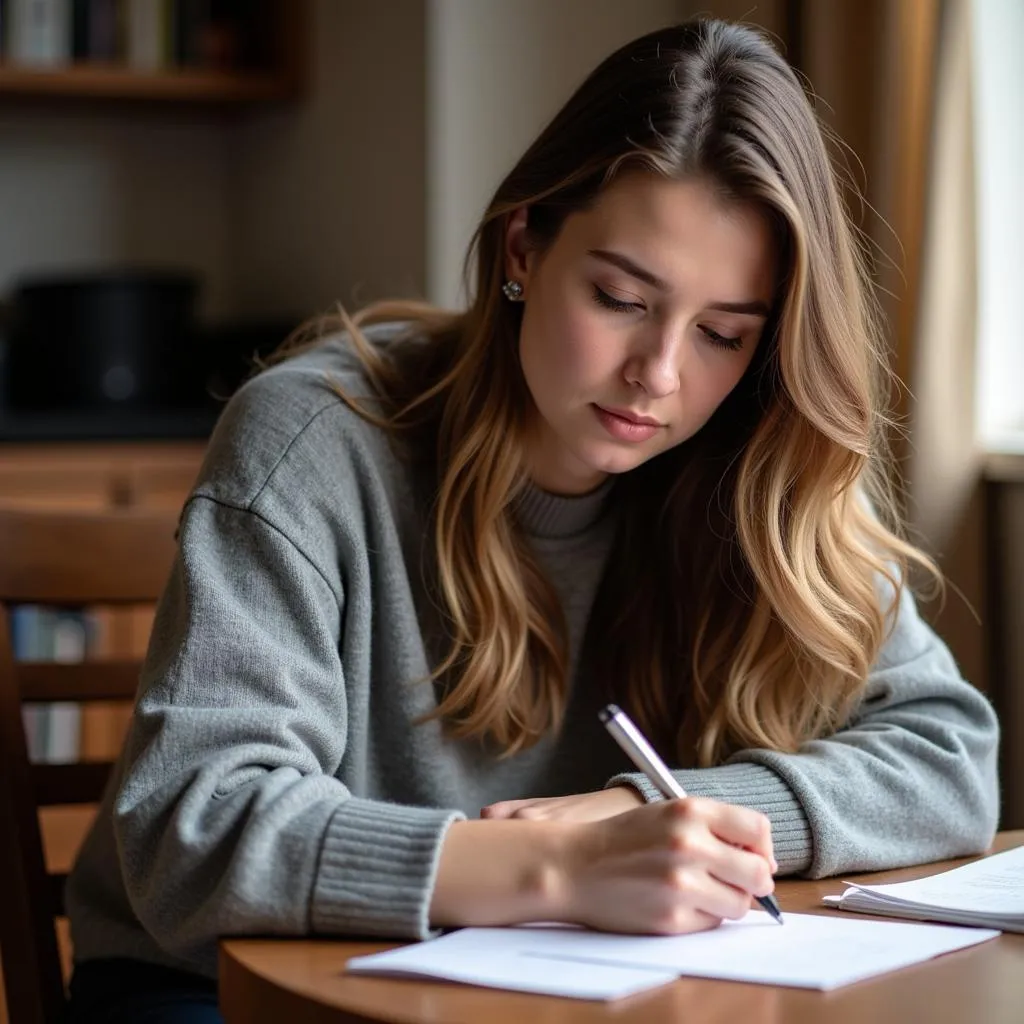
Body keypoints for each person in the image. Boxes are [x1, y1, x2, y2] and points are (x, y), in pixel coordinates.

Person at [65, 17, 998, 1022]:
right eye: (618, 297)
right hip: (227, 988)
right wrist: (556, 866)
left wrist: (662, 811)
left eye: (723, 334)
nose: (660, 375)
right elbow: (185, 831)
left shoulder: (766, 457)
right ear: (523, 245)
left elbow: (946, 754)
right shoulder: (312, 440)